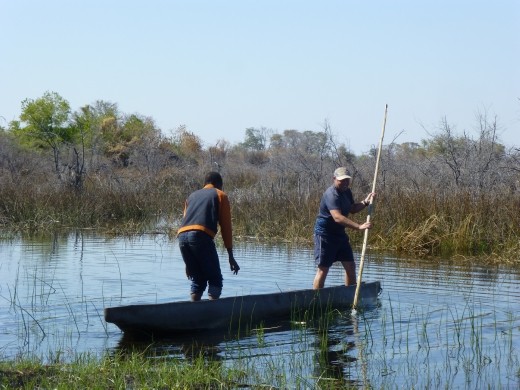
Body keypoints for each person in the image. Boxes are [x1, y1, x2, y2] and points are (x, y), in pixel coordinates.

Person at [177, 171, 240, 301]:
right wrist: (230, 256)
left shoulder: (191, 196)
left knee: (198, 279)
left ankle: (194, 312)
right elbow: (226, 227)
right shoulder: (220, 195)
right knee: (215, 279)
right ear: (218, 184)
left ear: (204, 184)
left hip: (182, 237)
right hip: (200, 236)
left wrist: (188, 264)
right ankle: (211, 312)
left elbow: (186, 223)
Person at [313, 167, 375, 289]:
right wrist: (359, 227)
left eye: (347, 180)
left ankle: (350, 295)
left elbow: (352, 209)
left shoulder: (347, 192)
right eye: (342, 180)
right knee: (323, 269)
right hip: (325, 234)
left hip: (339, 234)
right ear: (334, 179)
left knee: (350, 266)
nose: (345, 183)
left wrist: (365, 202)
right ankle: (316, 300)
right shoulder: (331, 194)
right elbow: (337, 217)